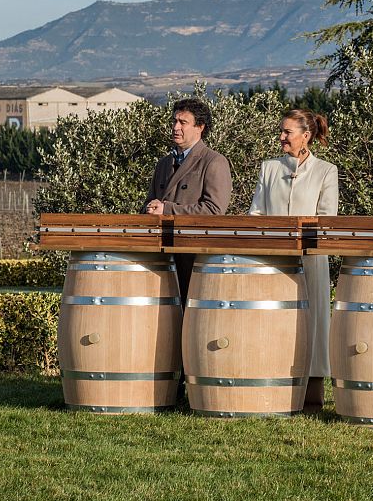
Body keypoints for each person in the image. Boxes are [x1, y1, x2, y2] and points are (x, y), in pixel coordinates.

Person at [248, 109, 338, 413]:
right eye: (282, 131)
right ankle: (270, 385)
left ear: (305, 136)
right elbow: (256, 213)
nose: (282, 137)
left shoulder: (326, 171)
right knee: (272, 322)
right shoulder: (269, 168)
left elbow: (327, 219)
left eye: (288, 132)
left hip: (311, 261)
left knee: (313, 322)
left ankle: (312, 395)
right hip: (273, 262)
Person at [143, 98, 232, 303]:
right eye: (174, 121)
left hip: (193, 257)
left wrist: (168, 209)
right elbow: (150, 201)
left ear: (200, 127)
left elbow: (214, 210)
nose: (175, 127)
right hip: (161, 259)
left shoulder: (214, 162)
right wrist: (149, 208)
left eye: (183, 122)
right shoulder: (164, 163)